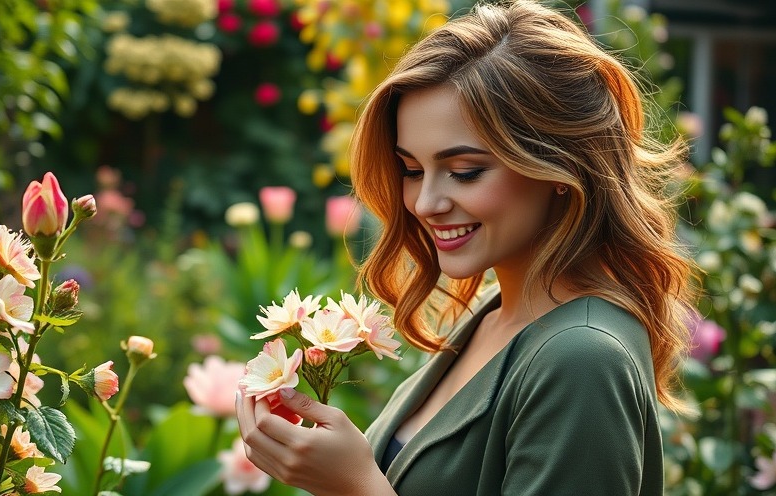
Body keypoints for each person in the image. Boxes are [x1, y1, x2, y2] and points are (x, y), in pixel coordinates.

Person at [236, 0, 697, 494]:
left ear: (559, 168)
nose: (426, 202)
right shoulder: (492, 313)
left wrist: (353, 486)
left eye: (464, 172)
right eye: (411, 170)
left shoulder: (582, 358)